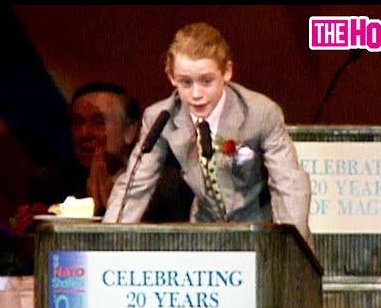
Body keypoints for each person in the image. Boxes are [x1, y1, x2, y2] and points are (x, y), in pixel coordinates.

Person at [103, 23, 312, 246]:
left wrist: (292, 248)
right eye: (185, 82)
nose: (196, 94)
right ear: (171, 77)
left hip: (260, 232)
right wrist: (107, 245)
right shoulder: (160, 118)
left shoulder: (260, 113)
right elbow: (135, 186)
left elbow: (289, 185)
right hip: (204, 234)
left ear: (227, 72)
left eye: (206, 81)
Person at [30, 82, 192, 220]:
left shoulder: (168, 186)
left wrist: (115, 210)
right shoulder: (50, 183)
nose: (85, 134)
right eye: (78, 123)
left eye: (99, 123)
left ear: (130, 130)